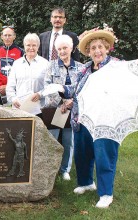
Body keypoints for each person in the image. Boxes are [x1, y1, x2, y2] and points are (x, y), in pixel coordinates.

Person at [49, 26, 122, 208]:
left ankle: (106, 193)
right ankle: (86, 183)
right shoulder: (85, 69)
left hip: (105, 121)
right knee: (83, 153)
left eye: (100, 47)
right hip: (82, 119)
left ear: (106, 48)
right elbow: (73, 89)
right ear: (88, 52)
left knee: (104, 156)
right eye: (93, 48)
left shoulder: (115, 67)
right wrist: (59, 89)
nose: (97, 51)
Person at [43, 35, 84, 181]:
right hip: (56, 109)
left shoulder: (80, 67)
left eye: (65, 48)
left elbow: (82, 89)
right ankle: (50, 167)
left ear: (71, 48)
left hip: (72, 110)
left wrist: (71, 102)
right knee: (52, 139)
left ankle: (65, 169)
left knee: (69, 140)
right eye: (59, 49)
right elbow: (48, 87)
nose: (62, 51)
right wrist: (62, 103)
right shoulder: (51, 65)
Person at [6, 33, 49, 118]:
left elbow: (49, 87)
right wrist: (13, 99)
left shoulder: (45, 64)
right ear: (24, 46)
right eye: (28, 45)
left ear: (38, 46)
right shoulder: (16, 64)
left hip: (39, 110)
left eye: (34, 45)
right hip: (19, 109)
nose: (31, 48)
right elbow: (10, 87)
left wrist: (40, 94)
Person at [0, 26, 24, 105]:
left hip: (16, 88)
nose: (7, 38)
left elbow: (22, 71)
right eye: (5, 35)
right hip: (0, 89)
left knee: (17, 111)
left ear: (14, 36)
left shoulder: (20, 52)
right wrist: (0, 85)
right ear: (2, 36)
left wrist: (9, 87)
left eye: (10, 35)